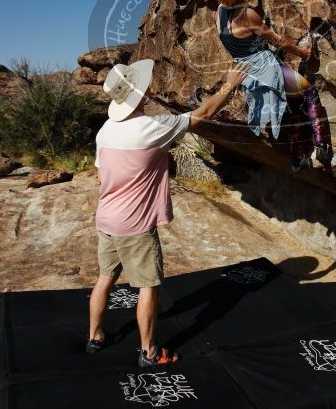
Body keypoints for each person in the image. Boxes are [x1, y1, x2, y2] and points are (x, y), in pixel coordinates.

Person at [86, 58, 250, 366]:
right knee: (148, 286)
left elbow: (100, 175)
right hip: (135, 225)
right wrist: (230, 82)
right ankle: (149, 351)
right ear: (140, 93)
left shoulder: (105, 131)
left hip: (106, 217)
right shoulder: (152, 128)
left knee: (106, 277)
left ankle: (95, 337)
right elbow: (204, 113)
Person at [212, 0, 332, 172]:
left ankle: (298, 160)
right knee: (309, 92)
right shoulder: (248, 15)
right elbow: (278, 42)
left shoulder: (220, 13)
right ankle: (322, 144)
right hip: (267, 68)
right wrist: (302, 53)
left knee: (291, 108)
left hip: (247, 73)